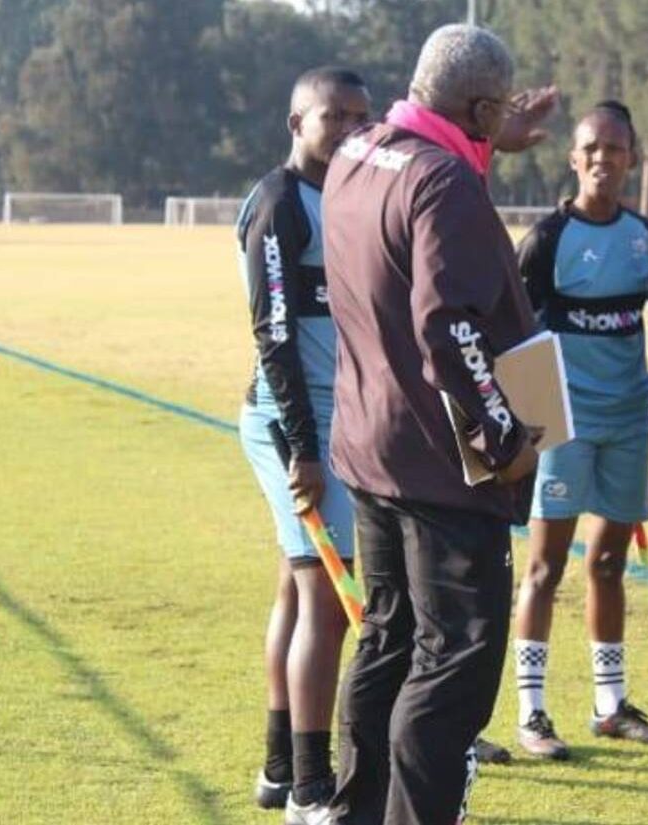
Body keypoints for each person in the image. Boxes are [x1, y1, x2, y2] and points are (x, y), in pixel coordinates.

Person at [320, 25, 556, 825]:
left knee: (388, 640)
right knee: (453, 659)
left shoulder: (358, 153)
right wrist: (507, 439)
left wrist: (485, 145)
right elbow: (445, 325)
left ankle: (355, 811)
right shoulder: (444, 184)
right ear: (482, 107)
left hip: (370, 448)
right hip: (438, 467)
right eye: (494, 115)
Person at [234, 67, 371, 821]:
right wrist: (305, 449)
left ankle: (279, 766)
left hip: (337, 420)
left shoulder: (346, 194)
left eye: (361, 115)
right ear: (296, 123)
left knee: (296, 585)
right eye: (333, 116)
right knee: (325, 591)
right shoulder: (281, 204)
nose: (350, 128)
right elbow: (275, 336)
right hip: (296, 427)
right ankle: (314, 788)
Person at [509, 101, 648, 760]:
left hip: (629, 417)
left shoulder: (644, 238)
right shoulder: (546, 240)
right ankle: (531, 711)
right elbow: (511, 333)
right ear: (573, 158)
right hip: (563, 424)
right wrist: (539, 425)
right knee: (543, 567)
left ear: (632, 158)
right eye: (591, 148)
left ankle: (608, 704)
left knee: (607, 563)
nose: (603, 159)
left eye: (616, 149)